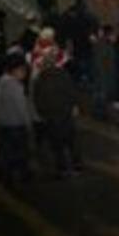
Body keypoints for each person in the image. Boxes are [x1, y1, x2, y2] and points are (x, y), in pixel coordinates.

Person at [33, 48, 82, 178]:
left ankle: (62, 169)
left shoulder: (40, 79)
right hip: (65, 112)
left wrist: (42, 113)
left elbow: (38, 98)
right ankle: (76, 165)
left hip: (51, 115)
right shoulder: (63, 74)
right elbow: (71, 92)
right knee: (71, 141)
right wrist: (74, 106)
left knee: (57, 144)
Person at [0, 55, 33, 185]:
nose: (24, 74)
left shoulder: (0, 82)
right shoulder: (16, 86)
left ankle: (7, 176)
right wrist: (28, 123)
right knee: (21, 152)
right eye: (23, 71)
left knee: (7, 152)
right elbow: (21, 107)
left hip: (3, 123)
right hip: (17, 124)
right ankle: (24, 176)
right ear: (16, 70)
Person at [92, 25, 117, 121]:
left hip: (103, 75)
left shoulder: (105, 44)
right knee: (101, 95)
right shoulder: (103, 45)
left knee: (100, 95)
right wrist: (104, 77)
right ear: (108, 34)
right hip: (103, 76)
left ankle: (99, 113)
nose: (114, 36)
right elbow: (100, 62)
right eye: (113, 34)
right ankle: (100, 114)